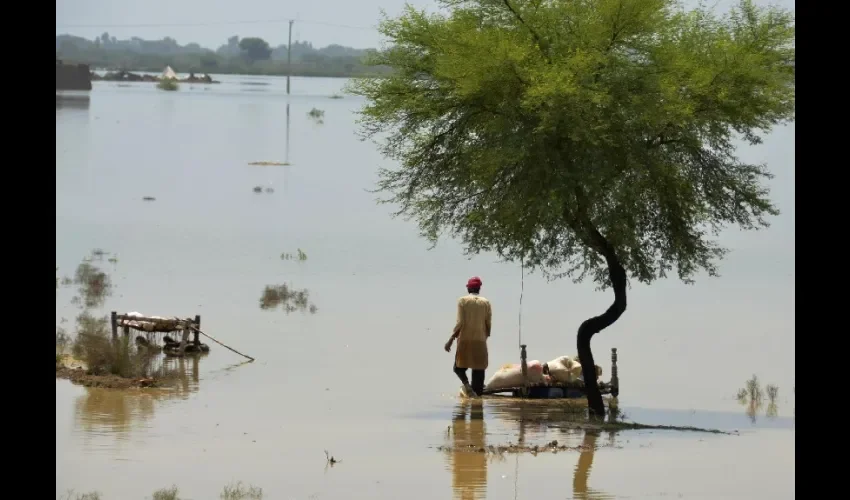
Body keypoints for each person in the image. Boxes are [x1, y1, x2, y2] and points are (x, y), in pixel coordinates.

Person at [445, 276, 492, 397]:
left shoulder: (463, 301)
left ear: (468, 288)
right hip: (480, 341)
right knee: (479, 371)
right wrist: (484, 337)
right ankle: (477, 408)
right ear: (479, 288)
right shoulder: (486, 302)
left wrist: (451, 339)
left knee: (458, 367)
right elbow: (488, 324)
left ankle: (467, 386)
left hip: (465, 340)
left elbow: (460, 323)